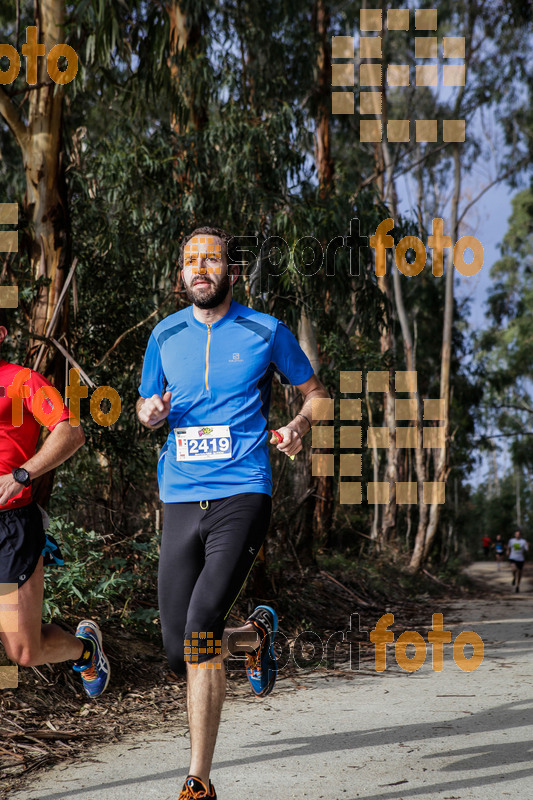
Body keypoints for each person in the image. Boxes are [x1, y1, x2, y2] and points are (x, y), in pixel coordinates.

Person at [137, 226, 329, 800]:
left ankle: (198, 779)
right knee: (178, 649)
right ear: (181, 276)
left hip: (243, 491)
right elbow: (148, 405)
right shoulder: (164, 336)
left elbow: (318, 394)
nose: (202, 268)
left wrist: (298, 425)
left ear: (231, 272)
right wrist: (148, 413)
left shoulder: (265, 330)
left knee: (199, 628)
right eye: (191, 261)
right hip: (179, 497)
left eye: (212, 259)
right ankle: (253, 636)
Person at [0, 312, 110, 697]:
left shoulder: (21, 381)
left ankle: (86, 651)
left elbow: (71, 431)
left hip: (10, 527)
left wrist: (20, 476)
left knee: (25, 652)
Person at [507, 527, 529, 593]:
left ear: (520, 535)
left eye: (519, 534)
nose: (517, 535)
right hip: (513, 557)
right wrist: (507, 551)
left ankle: (517, 586)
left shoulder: (523, 541)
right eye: (516, 534)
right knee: (514, 569)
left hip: (520, 559)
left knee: (519, 573)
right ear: (515, 534)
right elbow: (508, 547)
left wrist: (527, 546)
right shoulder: (511, 540)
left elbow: (527, 550)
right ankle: (514, 577)